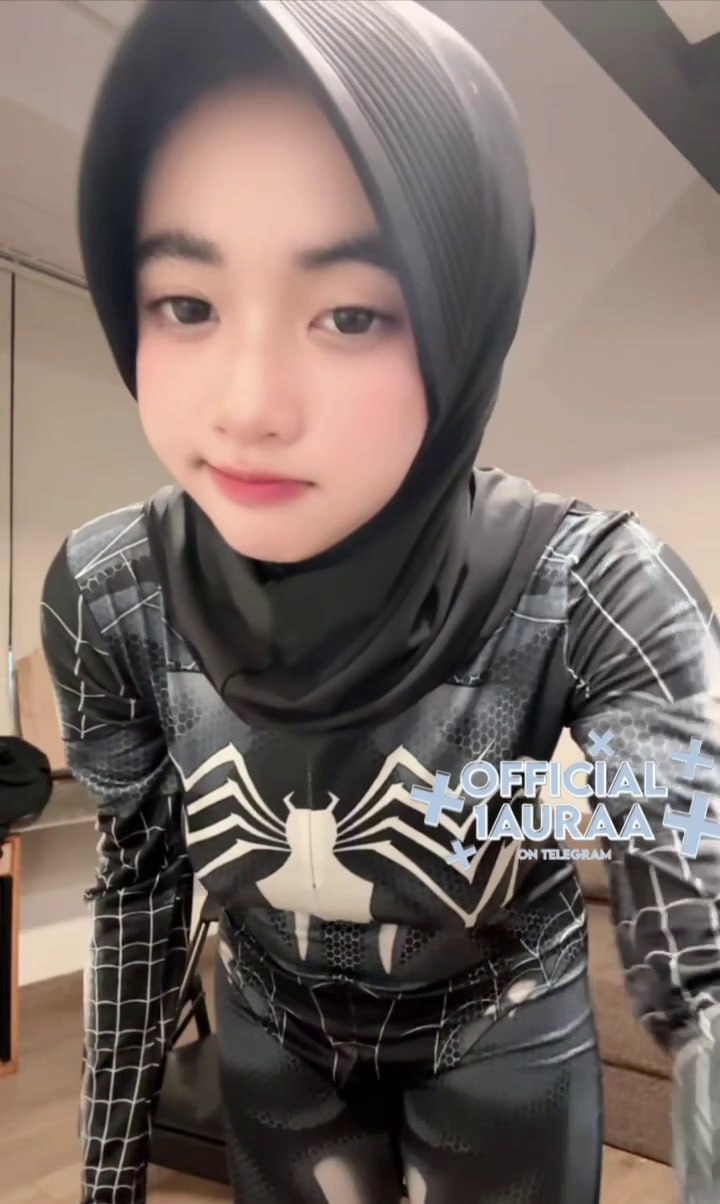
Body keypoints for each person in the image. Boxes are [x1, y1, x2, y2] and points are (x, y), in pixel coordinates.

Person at [39, 2, 720, 1202]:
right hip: (272, 1015)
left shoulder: (595, 584)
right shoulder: (110, 592)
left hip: (504, 1011)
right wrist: (105, 1180)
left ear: (464, 319)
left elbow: (701, 942)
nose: (247, 407)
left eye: (350, 313)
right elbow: (139, 886)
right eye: (187, 304)